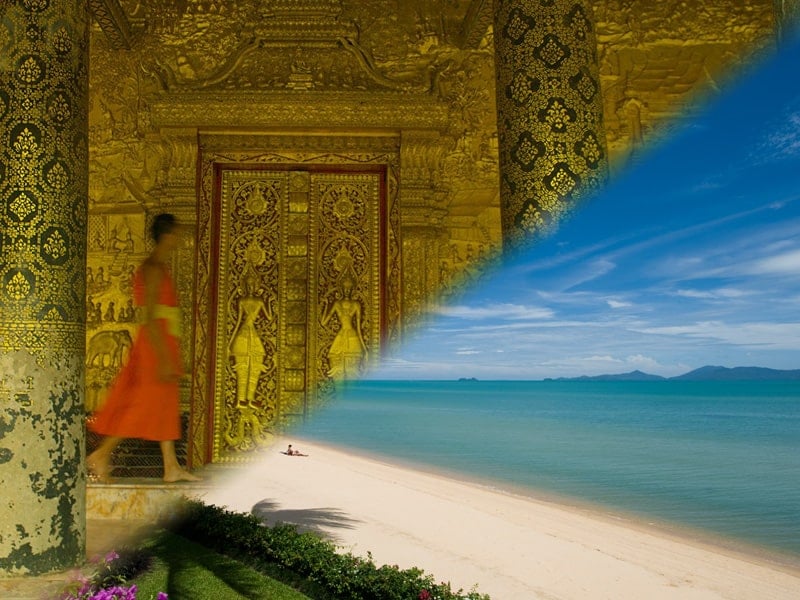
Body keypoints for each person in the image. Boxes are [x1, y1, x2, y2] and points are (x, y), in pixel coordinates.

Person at [87, 213, 200, 483]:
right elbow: (148, 315)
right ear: (167, 235)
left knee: (164, 404)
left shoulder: (160, 267)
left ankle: (170, 467)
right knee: (141, 405)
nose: (179, 239)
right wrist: (162, 356)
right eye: (177, 233)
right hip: (155, 344)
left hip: (164, 341)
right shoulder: (151, 268)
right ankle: (102, 454)